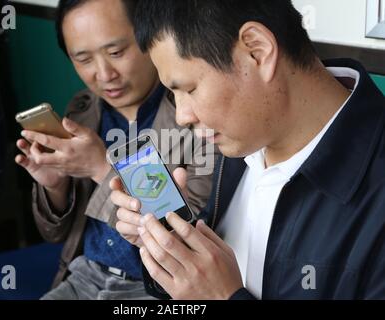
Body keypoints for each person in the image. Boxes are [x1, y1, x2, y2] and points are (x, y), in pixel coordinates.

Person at [110, 0, 385, 299]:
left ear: (257, 51)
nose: (182, 116)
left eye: (189, 89)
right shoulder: (242, 142)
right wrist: (171, 250)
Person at [15, 0, 215, 300]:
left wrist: (100, 167)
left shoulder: (193, 113)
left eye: (116, 52)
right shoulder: (82, 111)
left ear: (151, 36)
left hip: (158, 287)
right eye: (83, 59)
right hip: (84, 276)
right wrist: (55, 186)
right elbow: (55, 235)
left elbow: (189, 232)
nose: (104, 74)